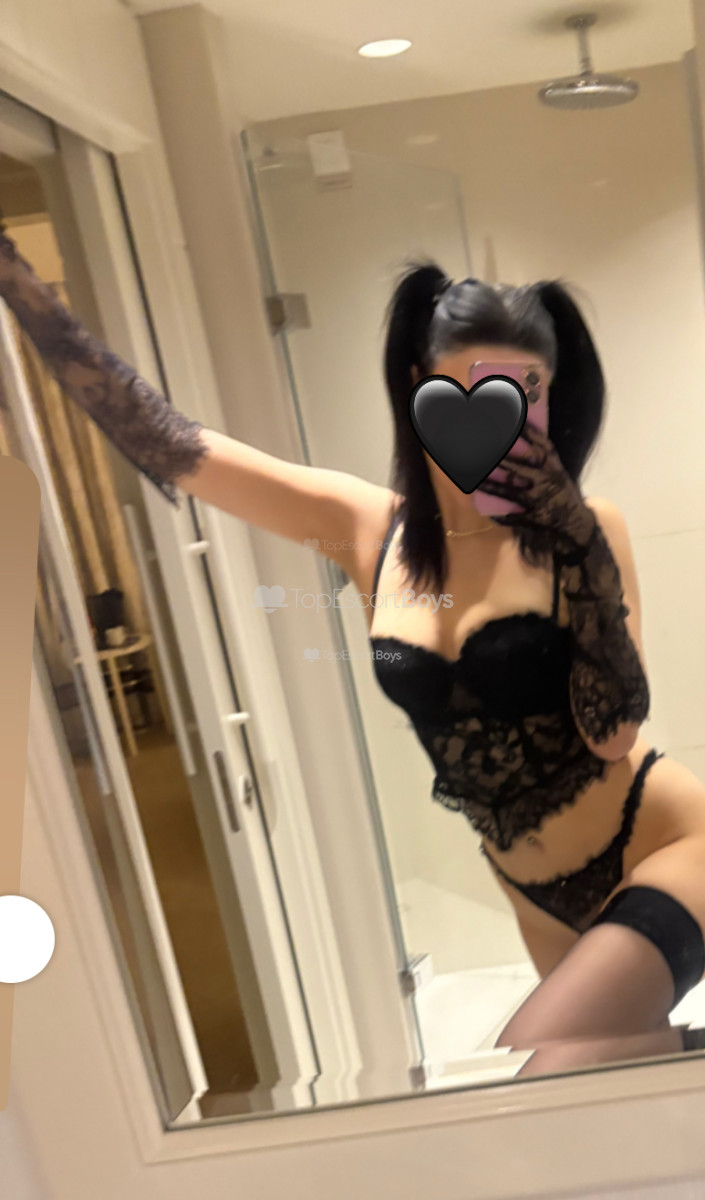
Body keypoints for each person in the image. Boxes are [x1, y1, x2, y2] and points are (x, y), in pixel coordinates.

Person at [1, 223, 705, 1075]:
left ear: (549, 401)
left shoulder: (589, 531)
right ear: (417, 387)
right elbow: (169, 444)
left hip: (661, 841)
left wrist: (575, 544)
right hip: (528, 889)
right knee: (605, 1091)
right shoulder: (369, 530)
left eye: (522, 396)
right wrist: (20, 288)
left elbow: (614, 732)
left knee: (537, 1070)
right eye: (463, 390)